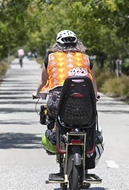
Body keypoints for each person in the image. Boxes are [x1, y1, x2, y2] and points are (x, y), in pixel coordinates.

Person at [33, 30, 103, 166]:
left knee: (52, 117)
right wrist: (95, 93)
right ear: (77, 44)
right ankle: (89, 146)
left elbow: (43, 82)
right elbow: (93, 82)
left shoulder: (50, 58)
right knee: (90, 122)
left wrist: (37, 93)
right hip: (85, 103)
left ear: (57, 45)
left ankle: (54, 136)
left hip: (58, 102)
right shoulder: (86, 58)